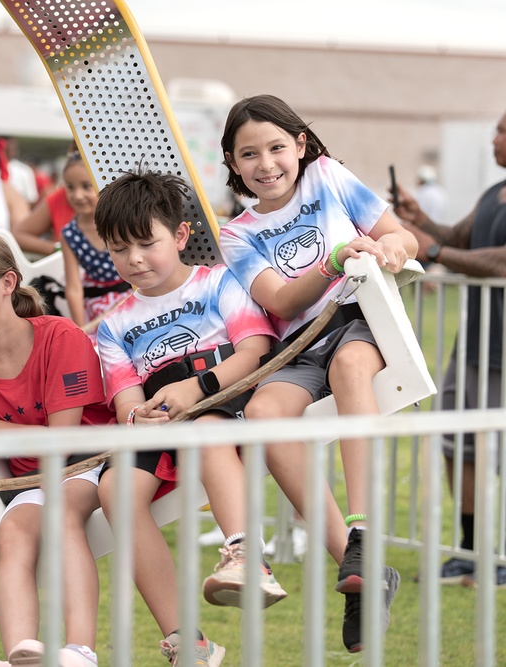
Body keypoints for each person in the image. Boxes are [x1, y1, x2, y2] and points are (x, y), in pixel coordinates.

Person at [219, 94, 416, 653]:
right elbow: (279, 301)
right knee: (262, 413)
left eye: (277, 147)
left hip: (357, 323)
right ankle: (361, 576)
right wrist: (329, 262)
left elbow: (402, 235)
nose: (266, 164)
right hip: (301, 346)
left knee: (354, 366)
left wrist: (391, 250)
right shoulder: (235, 234)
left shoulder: (328, 177)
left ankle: (363, 532)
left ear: (300, 146)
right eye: (249, 154)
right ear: (233, 164)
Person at [92, 167, 283, 667]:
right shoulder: (112, 327)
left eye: (145, 243)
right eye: (117, 249)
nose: (133, 260)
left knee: (204, 428)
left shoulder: (220, 283)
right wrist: (141, 420)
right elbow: (126, 404)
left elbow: (255, 350)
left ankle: (248, 556)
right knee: (113, 490)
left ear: (180, 235)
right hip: (164, 420)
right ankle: (187, 642)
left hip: (225, 398)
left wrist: (195, 389)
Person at [0, 229, 111, 667]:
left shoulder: (61, 336)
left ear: (8, 283)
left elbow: (64, 441)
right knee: (9, 532)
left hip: (86, 464)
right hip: (30, 480)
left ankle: (80, 652)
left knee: (61, 506)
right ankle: (17, 656)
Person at [392, 108, 506, 588]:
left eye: (502, 129)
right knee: (457, 443)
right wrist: (424, 224)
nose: (493, 137)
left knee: (492, 448)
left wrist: (431, 251)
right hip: (476, 341)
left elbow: (500, 260)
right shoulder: (494, 193)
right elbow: (461, 239)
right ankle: (468, 553)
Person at [57, 152, 130, 329]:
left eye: (86, 186)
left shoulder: (121, 221)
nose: (78, 195)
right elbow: (74, 288)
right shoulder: (69, 234)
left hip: (130, 295)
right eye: (70, 187)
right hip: (95, 306)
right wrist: (80, 330)